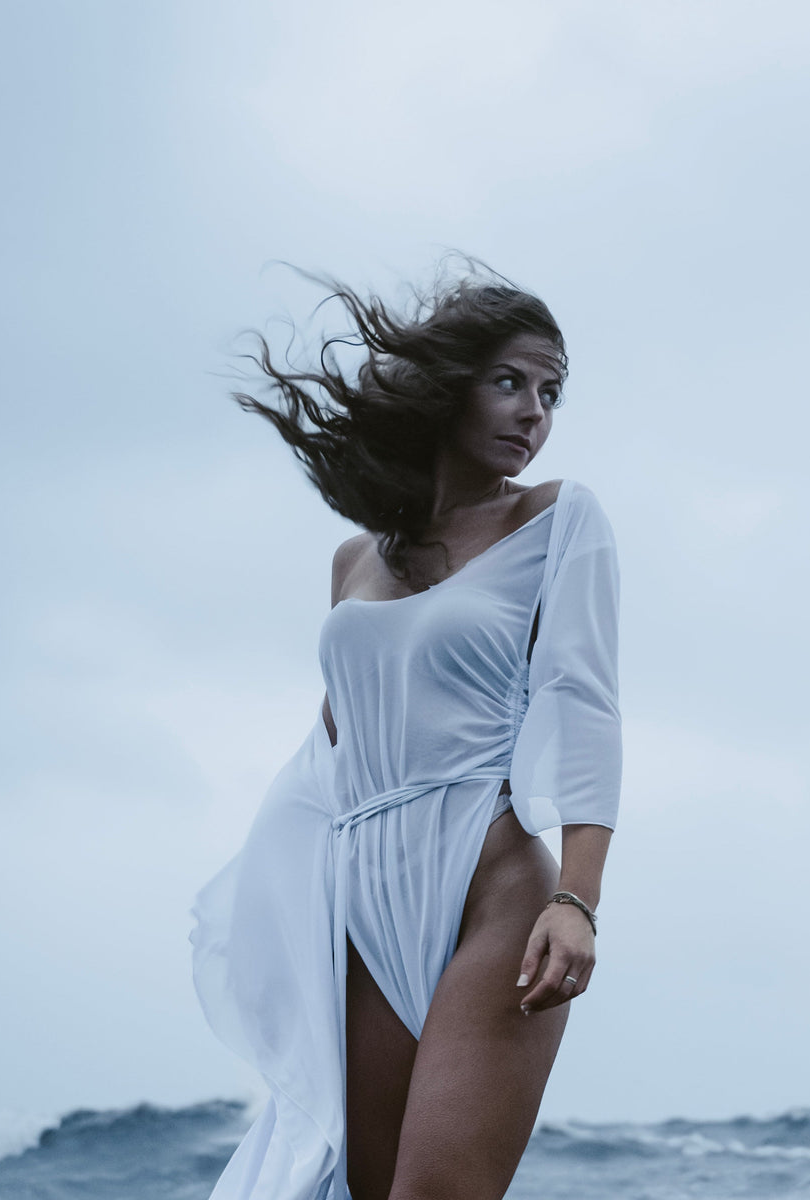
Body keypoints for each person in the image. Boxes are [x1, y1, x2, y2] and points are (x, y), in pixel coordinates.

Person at [189, 265, 623, 1200]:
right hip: (363, 899)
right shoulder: (354, 560)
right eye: (509, 382)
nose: (534, 411)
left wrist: (578, 900)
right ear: (448, 388)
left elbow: (585, 701)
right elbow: (335, 751)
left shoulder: (556, 519)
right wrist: (285, 911)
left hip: (492, 889)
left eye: (550, 392)